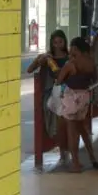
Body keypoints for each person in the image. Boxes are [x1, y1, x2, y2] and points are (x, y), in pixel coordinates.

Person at [27, 30, 73, 167]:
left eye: (60, 42)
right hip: (52, 93)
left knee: (68, 123)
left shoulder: (70, 57)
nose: (58, 45)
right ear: (51, 43)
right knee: (58, 122)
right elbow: (30, 70)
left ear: (64, 42)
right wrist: (39, 60)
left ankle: (66, 150)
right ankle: (63, 151)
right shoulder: (48, 58)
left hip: (68, 92)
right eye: (55, 42)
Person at [58, 37, 98, 172]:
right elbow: (95, 78)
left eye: (72, 48)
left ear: (75, 48)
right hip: (84, 98)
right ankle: (93, 158)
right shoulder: (90, 62)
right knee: (82, 129)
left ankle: (76, 164)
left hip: (71, 98)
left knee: (72, 133)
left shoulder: (71, 64)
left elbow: (59, 80)